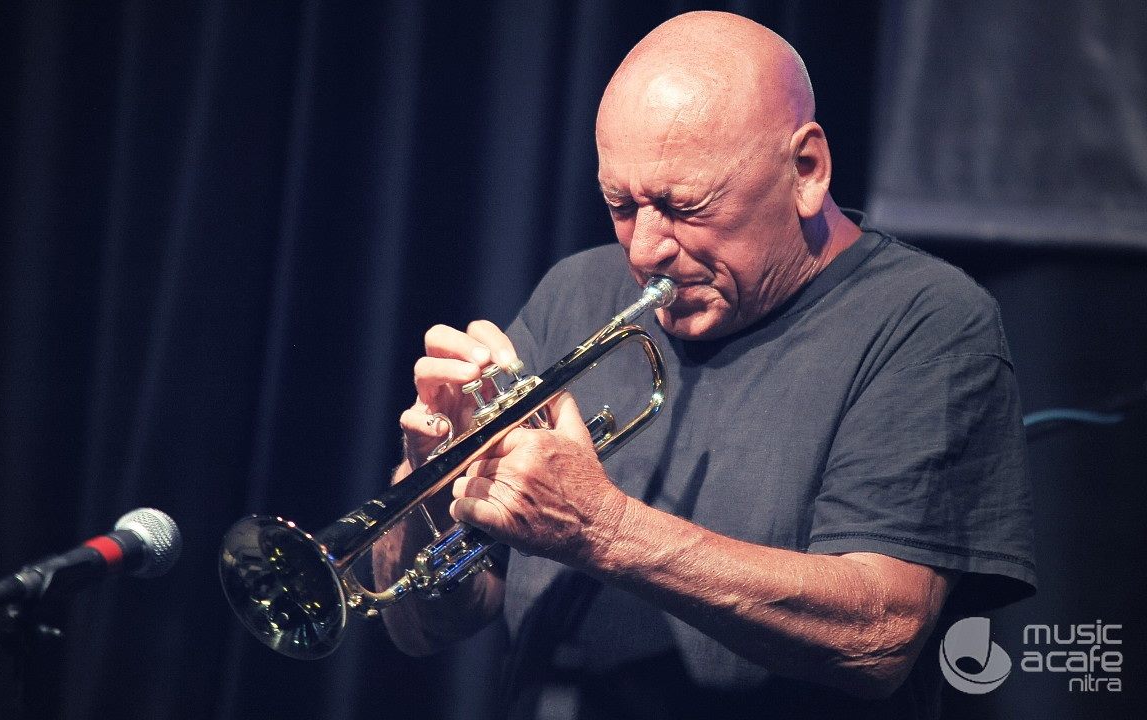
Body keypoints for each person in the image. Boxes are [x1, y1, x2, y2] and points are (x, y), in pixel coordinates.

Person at [373, 11, 1035, 719]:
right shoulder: (575, 292)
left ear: (806, 170)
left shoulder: (927, 319)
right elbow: (421, 629)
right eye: (620, 205)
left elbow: (881, 636)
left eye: (684, 206)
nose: (644, 250)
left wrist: (602, 527)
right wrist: (427, 485)